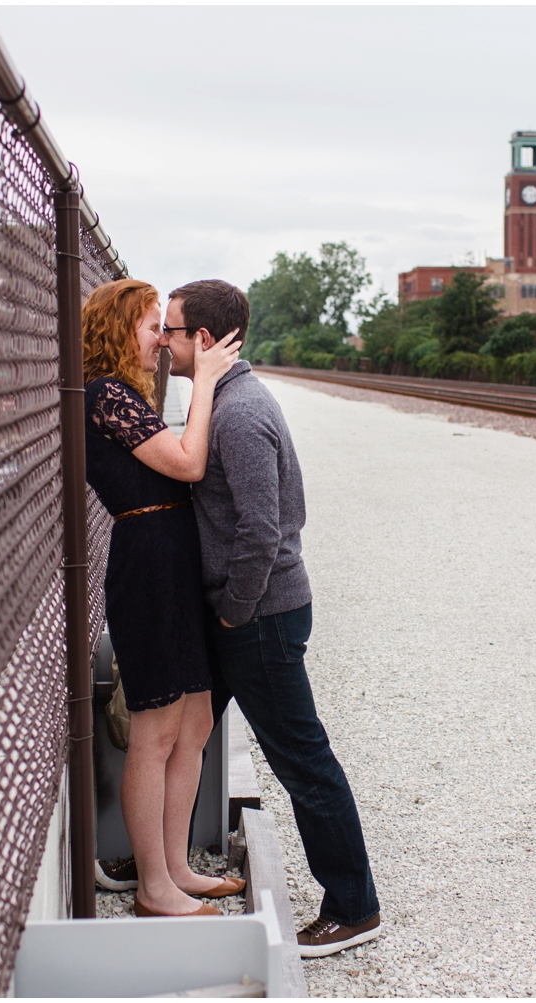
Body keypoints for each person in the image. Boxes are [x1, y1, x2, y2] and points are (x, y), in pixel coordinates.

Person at [162, 279, 382, 958]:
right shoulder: (219, 399)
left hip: (258, 618)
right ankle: (166, 873)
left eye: (170, 330)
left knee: (303, 760)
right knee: (183, 733)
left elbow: (263, 529)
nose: (161, 340)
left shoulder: (239, 411)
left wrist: (231, 612)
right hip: (244, 614)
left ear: (201, 339)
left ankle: (355, 907)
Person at [81, 277, 244, 917]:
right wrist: (204, 382)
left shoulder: (128, 393)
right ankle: (153, 887)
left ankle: (175, 868)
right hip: (148, 565)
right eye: (154, 327)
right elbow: (187, 462)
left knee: (197, 722)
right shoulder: (104, 394)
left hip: (174, 560)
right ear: (124, 330)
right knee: (156, 729)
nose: (164, 342)